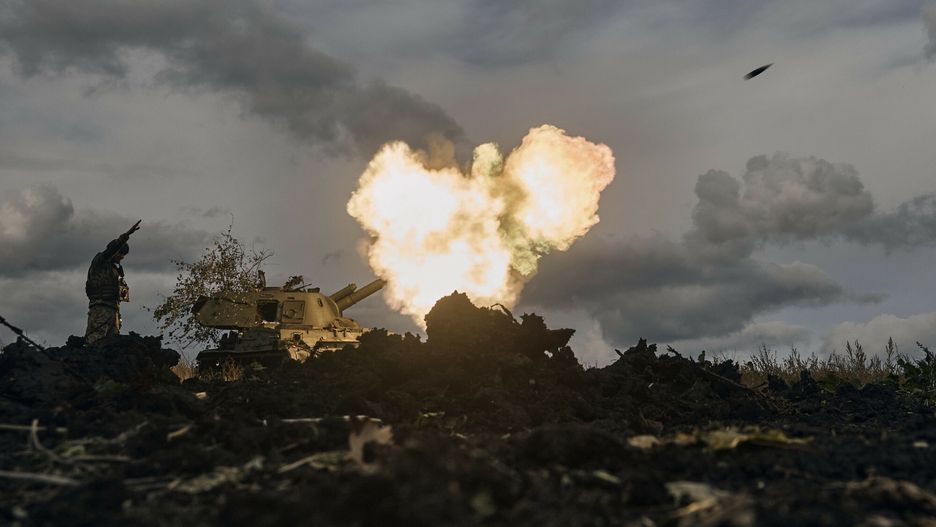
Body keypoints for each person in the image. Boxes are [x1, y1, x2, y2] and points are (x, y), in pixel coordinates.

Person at [84, 220, 141, 345]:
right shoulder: (99, 262)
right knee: (95, 341)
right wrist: (125, 236)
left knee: (112, 346)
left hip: (113, 310)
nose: (122, 256)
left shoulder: (116, 270)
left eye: (123, 254)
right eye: (120, 253)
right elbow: (110, 251)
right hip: (100, 308)